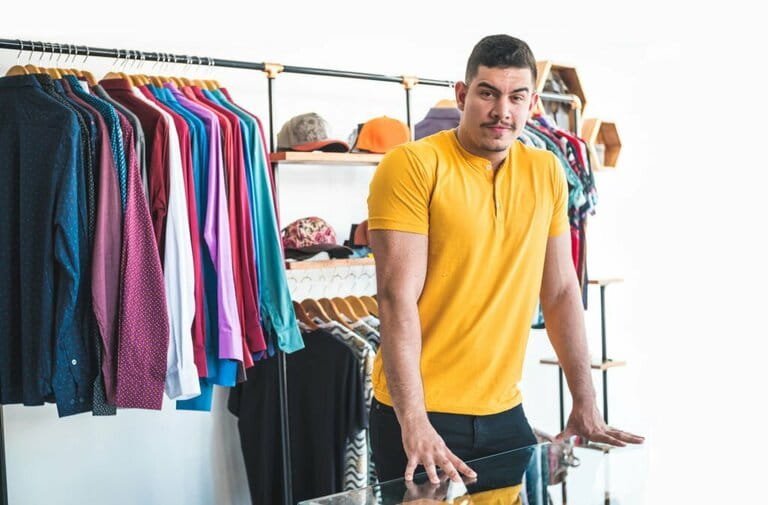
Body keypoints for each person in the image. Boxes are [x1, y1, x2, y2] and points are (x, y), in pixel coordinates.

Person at [366, 34, 644, 485]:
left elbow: (559, 291)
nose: (502, 112)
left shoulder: (547, 171)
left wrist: (585, 399)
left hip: (505, 414)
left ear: (533, 102)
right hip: (423, 414)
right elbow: (397, 299)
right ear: (462, 94)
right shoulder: (412, 165)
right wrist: (412, 422)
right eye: (488, 93)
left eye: (516, 97)